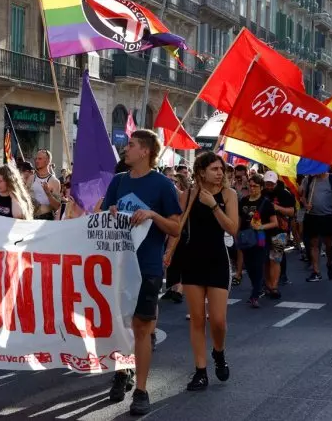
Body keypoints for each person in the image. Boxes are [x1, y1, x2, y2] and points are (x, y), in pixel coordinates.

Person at [103, 129, 181, 416]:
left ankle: (142, 389)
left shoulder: (162, 185)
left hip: (146, 267)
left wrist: (152, 215)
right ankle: (124, 370)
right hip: (118, 266)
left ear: (146, 151)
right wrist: (109, 213)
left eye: (131, 145)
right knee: (118, 326)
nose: (126, 149)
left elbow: (175, 228)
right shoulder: (118, 181)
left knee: (141, 328)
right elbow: (103, 216)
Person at [168, 152, 238, 391]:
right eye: (214, 169)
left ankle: (218, 352)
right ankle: (200, 371)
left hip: (217, 259)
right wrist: (168, 253)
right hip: (192, 260)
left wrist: (214, 206)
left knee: (218, 320)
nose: (220, 173)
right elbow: (176, 227)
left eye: (221, 169)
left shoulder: (229, 195)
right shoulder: (187, 196)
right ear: (201, 172)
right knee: (197, 319)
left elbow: (233, 228)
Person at [238, 174, 278, 308]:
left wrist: (261, 226)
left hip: (261, 237)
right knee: (249, 266)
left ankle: (255, 295)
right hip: (246, 237)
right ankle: (259, 287)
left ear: (261, 187)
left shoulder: (266, 203)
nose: (252, 188)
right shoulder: (243, 201)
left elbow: (274, 223)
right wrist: (235, 233)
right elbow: (239, 220)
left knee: (259, 264)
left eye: (255, 186)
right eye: (250, 186)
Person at [262, 171, 295, 297]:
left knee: (275, 258)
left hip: (280, 231)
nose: (269, 186)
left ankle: (274, 286)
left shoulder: (285, 193)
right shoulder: (262, 193)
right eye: (267, 183)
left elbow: (291, 212)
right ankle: (268, 284)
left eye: (271, 183)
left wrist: (278, 208)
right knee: (265, 259)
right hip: (263, 230)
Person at [301, 172, 332, 281]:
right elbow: (302, 197)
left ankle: (329, 263)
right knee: (314, 244)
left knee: (329, 244)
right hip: (312, 216)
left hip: (327, 216)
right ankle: (316, 272)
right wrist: (306, 204)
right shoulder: (309, 178)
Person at [30, 150, 61, 220]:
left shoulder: (54, 181)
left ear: (47, 161)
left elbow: (57, 207)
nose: (37, 161)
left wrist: (48, 193)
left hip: (46, 219)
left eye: (40, 159)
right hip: (31, 218)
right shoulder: (31, 178)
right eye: (36, 159)